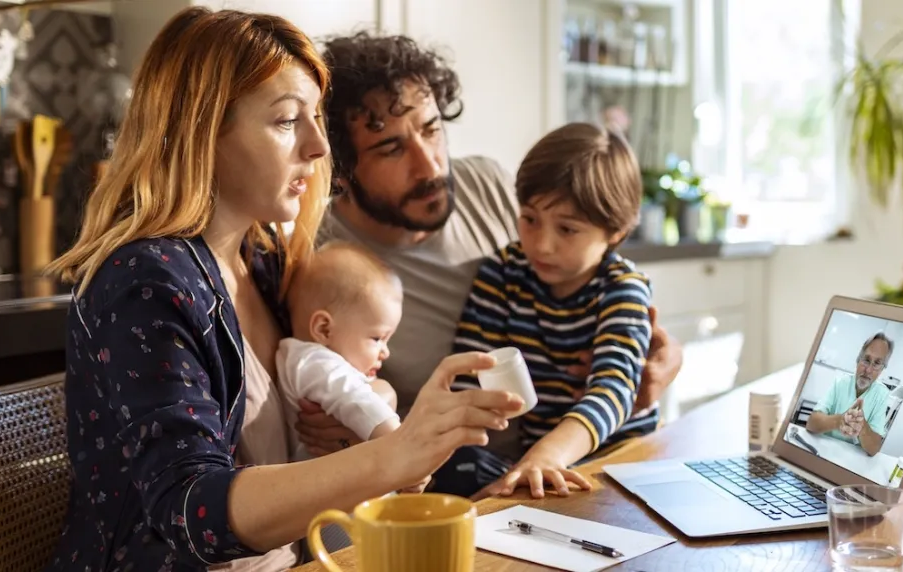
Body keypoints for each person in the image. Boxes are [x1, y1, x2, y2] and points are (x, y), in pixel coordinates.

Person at [44, 8, 521, 571]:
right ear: (204, 131)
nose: (319, 147)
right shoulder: (145, 282)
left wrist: (374, 409)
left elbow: (335, 383)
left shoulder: (265, 260)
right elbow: (188, 511)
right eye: (287, 120)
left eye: (315, 118)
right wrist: (393, 455)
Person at [307, 32, 684, 483]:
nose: (429, 167)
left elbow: (617, 348)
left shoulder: (485, 183)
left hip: (591, 454)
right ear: (341, 170)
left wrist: (662, 357)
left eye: (431, 130)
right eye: (391, 149)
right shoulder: (319, 259)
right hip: (457, 466)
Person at [431, 122, 659, 499]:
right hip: (538, 465)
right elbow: (470, 378)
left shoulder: (622, 288)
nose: (542, 244)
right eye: (530, 219)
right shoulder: (502, 273)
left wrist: (548, 455)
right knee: (458, 466)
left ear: (615, 232)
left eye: (567, 230)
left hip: (619, 461)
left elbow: (614, 389)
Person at [277, 241, 404, 460]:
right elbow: (360, 402)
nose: (385, 352)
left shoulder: (309, 359)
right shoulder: (313, 362)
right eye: (377, 338)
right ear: (324, 329)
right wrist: (406, 451)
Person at [806, 332, 894, 455]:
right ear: (858, 360)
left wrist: (862, 427)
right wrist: (839, 421)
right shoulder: (840, 382)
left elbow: (874, 449)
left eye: (877, 363)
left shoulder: (882, 394)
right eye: (866, 360)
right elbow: (811, 423)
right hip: (824, 450)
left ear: (882, 369)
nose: (868, 370)